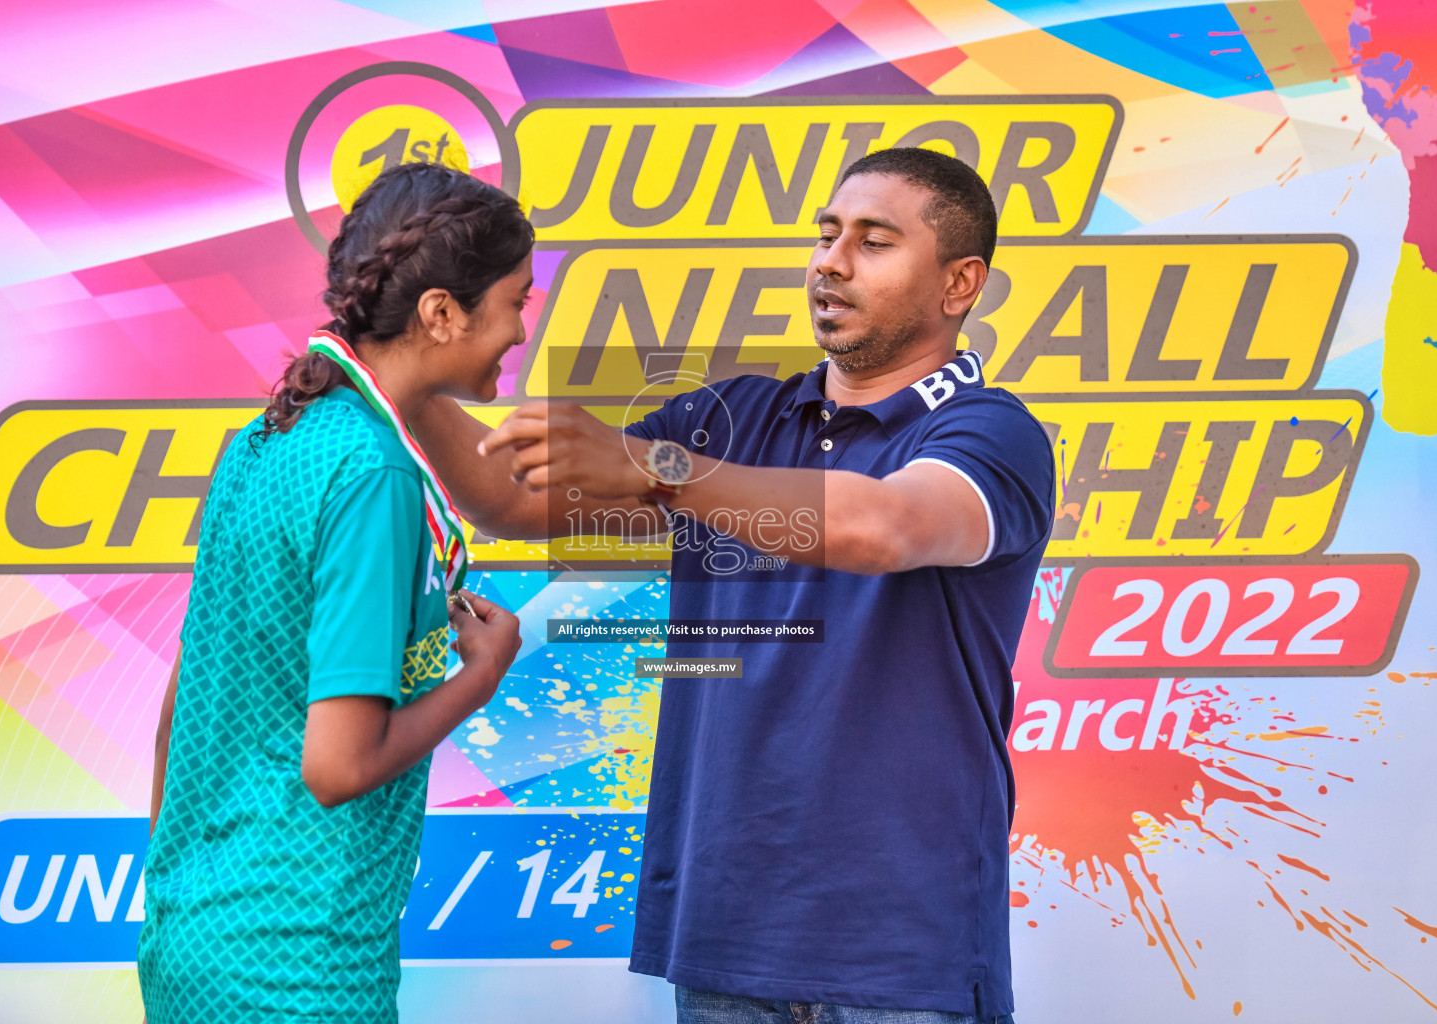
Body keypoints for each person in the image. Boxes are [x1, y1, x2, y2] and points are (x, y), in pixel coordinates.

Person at [412, 148, 1055, 1023]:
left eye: (873, 242)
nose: (830, 261)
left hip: (903, 955)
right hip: (726, 940)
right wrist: (395, 374)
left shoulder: (992, 432)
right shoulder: (733, 419)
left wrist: (656, 466)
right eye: (827, 235)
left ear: (958, 284)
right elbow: (515, 502)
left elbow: (883, 527)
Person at [138, 162, 526, 1024]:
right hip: (298, 968)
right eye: (515, 301)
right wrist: (480, 675)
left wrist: (180, 892)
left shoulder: (264, 439)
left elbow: (177, 715)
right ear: (441, 312)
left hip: (189, 940)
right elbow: (338, 767)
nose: (519, 330)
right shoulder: (372, 473)